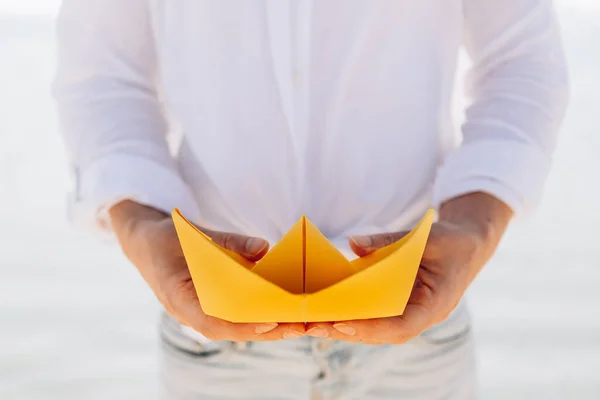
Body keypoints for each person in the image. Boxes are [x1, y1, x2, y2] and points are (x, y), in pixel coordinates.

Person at [53, 0, 568, 398]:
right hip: (215, 339)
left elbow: (519, 58)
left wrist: (474, 229)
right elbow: (105, 77)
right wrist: (140, 227)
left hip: (414, 331)